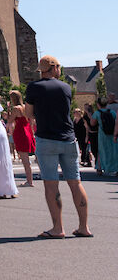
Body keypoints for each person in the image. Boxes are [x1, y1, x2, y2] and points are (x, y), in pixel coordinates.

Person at [25, 55, 91, 238]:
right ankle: (83, 227)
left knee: (51, 184)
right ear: (54, 68)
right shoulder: (66, 87)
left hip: (47, 139)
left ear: (42, 70)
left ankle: (57, 228)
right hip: (68, 138)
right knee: (75, 182)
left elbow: (29, 113)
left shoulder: (34, 87)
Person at [7, 89, 36, 187]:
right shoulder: (25, 107)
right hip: (27, 131)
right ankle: (30, 179)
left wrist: (8, 110)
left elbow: (10, 120)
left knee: (25, 160)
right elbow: (31, 120)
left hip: (20, 132)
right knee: (27, 159)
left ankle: (29, 181)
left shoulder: (16, 108)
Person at [91, 98, 118, 177]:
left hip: (102, 134)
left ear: (98, 104)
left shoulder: (97, 113)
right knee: (114, 152)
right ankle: (115, 168)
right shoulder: (112, 112)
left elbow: (92, 123)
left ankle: (100, 168)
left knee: (102, 151)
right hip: (112, 134)